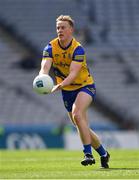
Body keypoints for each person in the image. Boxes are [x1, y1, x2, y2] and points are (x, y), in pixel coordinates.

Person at [39, 15, 110, 168]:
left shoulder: (78, 49)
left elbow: (73, 74)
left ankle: (87, 154)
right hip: (67, 90)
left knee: (77, 114)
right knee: (80, 124)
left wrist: (59, 85)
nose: (60, 30)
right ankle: (104, 153)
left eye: (63, 27)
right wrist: (42, 77)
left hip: (84, 86)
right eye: (58, 27)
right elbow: (45, 66)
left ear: (71, 30)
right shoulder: (50, 47)